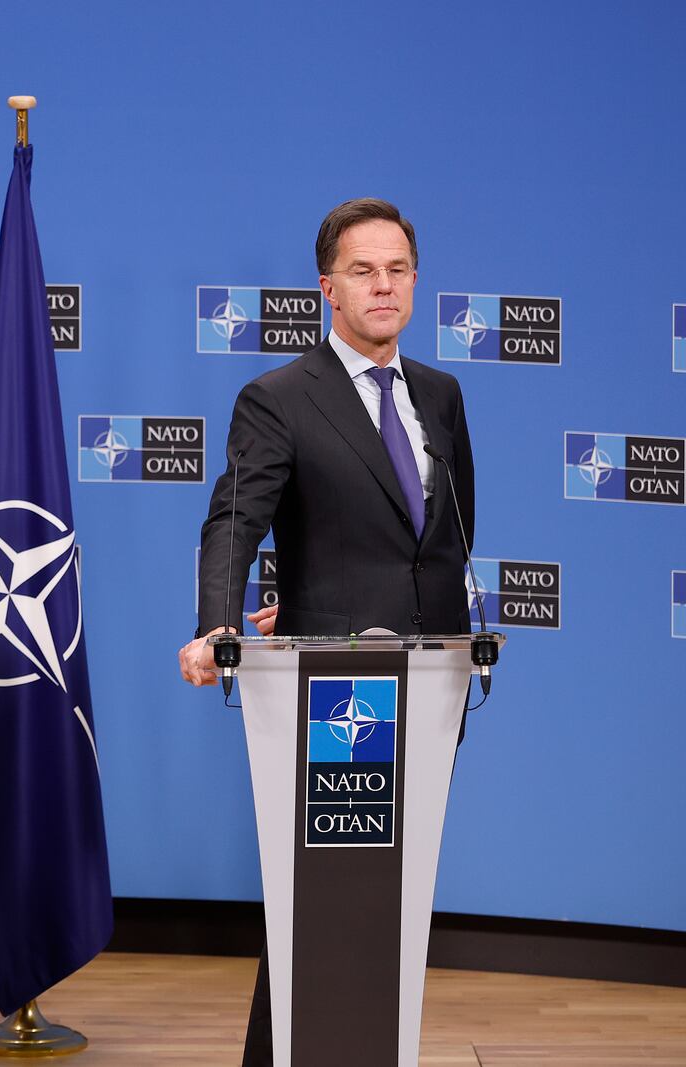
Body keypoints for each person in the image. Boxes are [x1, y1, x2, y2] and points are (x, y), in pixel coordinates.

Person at [178, 198, 475, 1064]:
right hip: (342, 687)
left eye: (398, 270)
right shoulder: (278, 398)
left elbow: (447, 537)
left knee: (394, 891)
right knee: (326, 895)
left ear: (413, 282)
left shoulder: (442, 394)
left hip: (434, 682)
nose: (383, 286)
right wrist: (219, 624)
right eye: (363, 271)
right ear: (328, 289)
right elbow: (235, 520)